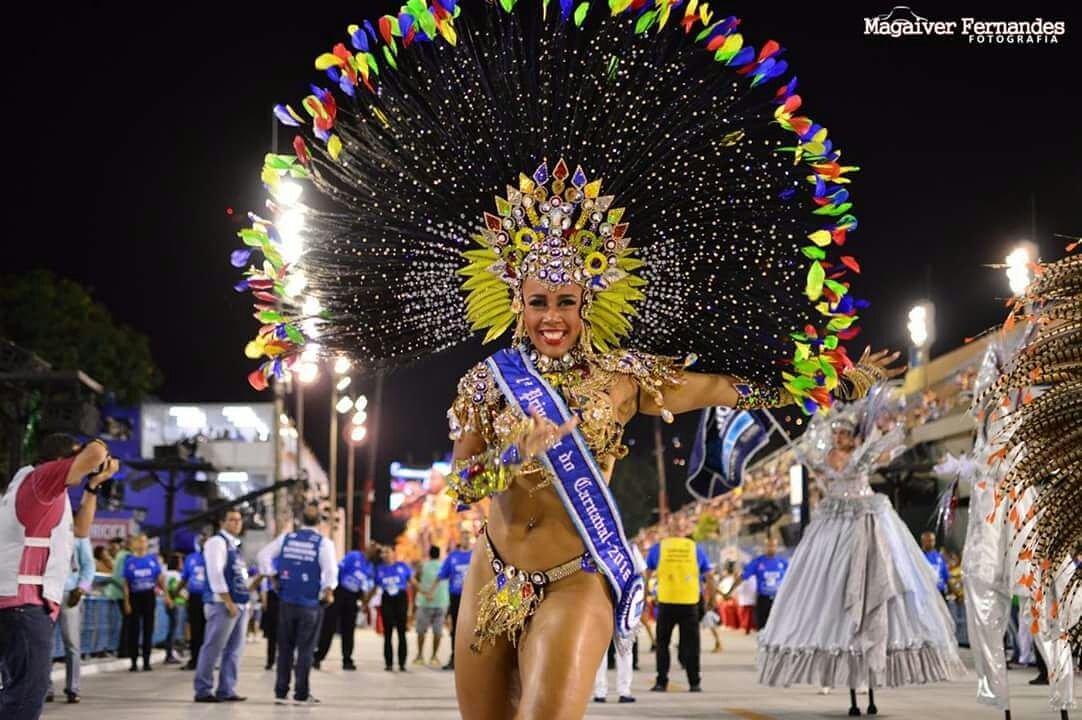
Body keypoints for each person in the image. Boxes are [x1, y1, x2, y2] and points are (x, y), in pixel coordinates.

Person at [234, 2, 905, 715]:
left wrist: (826, 382)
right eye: (538, 301)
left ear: (589, 301)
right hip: (491, 575)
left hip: (576, 576)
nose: (551, 317)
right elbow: (462, 484)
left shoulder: (625, 378)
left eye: (565, 300)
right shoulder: (487, 382)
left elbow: (722, 388)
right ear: (515, 301)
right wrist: (511, 457)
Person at [756, 388, 965, 716]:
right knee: (836, 597)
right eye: (836, 432)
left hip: (870, 524)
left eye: (843, 432)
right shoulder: (830, 457)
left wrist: (886, 432)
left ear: (853, 435)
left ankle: (870, 690)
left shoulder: (862, 453)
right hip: (835, 529)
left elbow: (889, 446)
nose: (838, 437)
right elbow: (822, 458)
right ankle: (855, 693)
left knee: (880, 589)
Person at [1, 434, 117, 719]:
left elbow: (80, 531)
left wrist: (93, 486)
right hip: (24, 606)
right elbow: (95, 452)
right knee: (27, 693)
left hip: (21, 605)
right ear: (60, 460)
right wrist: (98, 453)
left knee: (19, 689)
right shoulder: (43, 478)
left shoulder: (42, 489)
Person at [257, 503, 338, 705]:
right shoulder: (323, 543)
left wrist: (273, 577)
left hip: (286, 601)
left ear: (300, 520)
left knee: (284, 648)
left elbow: (262, 555)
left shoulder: (287, 538)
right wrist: (329, 591)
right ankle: (301, 693)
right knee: (305, 650)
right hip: (310, 602)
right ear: (319, 522)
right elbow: (330, 571)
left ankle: (281, 691)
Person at [193, 509, 251, 703]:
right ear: (222, 522)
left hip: (239, 603)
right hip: (222, 604)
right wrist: (228, 601)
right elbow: (215, 574)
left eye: (239, 520)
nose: (237, 523)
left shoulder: (234, 545)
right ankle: (203, 689)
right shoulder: (216, 542)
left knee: (234, 650)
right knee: (213, 647)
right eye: (232, 520)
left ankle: (227, 689)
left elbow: (240, 576)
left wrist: (245, 602)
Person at [646, 534, 714, 692]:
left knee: (662, 643)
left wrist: (643, 597)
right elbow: (709, 576)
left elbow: (646, 575)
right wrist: (711, 599)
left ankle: (661, 682)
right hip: (689, 603)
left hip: (666, 603)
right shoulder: (695, 548)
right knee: (692, 644)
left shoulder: (658, 548)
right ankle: (694, 682)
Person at [593, 543, 646, 704]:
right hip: (608, 603)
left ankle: (606, 692)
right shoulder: (629, 548)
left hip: (621, 604)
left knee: (622, 650)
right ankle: (612, 691)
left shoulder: (598, 545)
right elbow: (642, 575)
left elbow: (641, 575)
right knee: (613, 651)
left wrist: (638, 601)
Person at [49, 535, 95, 704]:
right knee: (45, 643)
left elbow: (88, 565)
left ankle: (73, 688)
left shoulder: (79, 537)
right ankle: (46, 687)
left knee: (72, 644)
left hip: (70, 594)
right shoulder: (49, 531)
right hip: (48, 593)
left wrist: (81, 588)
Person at [314, 545, 374, 671]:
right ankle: (318, 656)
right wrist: (330, 590)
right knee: (328, 626)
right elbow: (339, 570)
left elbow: (367, 585)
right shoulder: (354, 555)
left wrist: (364, 601)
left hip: (352, 597)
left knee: (348, 629)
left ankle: (347, 659)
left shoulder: (370, 567)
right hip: (339, 592)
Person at [122, 533, 168, 672]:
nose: (142, 544)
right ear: (134, 544)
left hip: (149, 596)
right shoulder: (130, 561)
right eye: (139, 541)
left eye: (144, 541)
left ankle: (147, 662)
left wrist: (167, 595)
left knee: (148, 629)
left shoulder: (152, 560)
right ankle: (134, 662)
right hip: (135, 597)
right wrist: (126, 602)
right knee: (134, 630)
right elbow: (125, 583)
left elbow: (160, 579)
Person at [733, 537, 789, 631]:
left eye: (774, 546)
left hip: (778, 599)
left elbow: (792, 578)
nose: (771, 548)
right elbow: (743, 577)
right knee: (762, 628)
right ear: (765, 547)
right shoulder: (757, 562)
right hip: (763, 599)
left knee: (778, 628)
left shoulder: (783, 563)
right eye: (769, 546)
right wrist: (730, 591)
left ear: (777, 547)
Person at [437, 535, 473, 671]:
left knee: (472, 629)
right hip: (456, 597)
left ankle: (471, 661)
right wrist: (430, 591)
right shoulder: (452, 556)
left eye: (468, 538)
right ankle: (454, 658)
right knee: (456, 629)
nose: (466, 540)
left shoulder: (476, 554)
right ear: (460, 540)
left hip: (472, 597)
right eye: (464, 538)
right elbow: (442, 575)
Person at [375, 546, 412, 672]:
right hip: (387, 600)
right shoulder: (379, 569)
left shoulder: (402, 566)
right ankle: (389, 663)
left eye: (387, 552)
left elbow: (412, 581)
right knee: (388, 633)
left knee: (402, 633)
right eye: (383, 552)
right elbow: (374, 587)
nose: (384, 554)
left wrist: (425, 593)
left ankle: (402, 663)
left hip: (401, 599)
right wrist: (365, 601)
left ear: (393, 553)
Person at [413, 545, 450, 667]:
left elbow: (414, 581)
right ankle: (434, 657)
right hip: (441, 602)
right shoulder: (444, 566)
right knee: (438, 631)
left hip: (424, 602)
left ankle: (419, 656)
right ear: (439, 554)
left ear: (429, 554)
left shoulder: (423, 566)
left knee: (421, 631)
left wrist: (421, 595)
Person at [178, 533, 208, 670]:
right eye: (202, 541)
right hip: (194, 598)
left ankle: (207, 662)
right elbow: (184, 578)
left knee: (208, 631)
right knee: (195, 630)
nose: (204, 544)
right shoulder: (191, 558)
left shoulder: (215, 557)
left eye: (206, 541)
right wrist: (176, 592)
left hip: (210, 598)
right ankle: (194, 660)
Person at [163, 553, 185, 664]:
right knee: (173, 630)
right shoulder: (175, 575)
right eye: (181, 562)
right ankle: (169, 654)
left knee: (172, 629)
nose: (182, 564)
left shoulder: (166, 574)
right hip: (175, 604)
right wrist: (186, 596)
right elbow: (174, 589)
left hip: (169, 604)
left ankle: (170, 653)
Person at [259, 557, 280, 670]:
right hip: (273, 598)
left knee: (286, 633)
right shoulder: (270, 561)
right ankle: (270, 660)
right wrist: (264, 600)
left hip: (285, 597)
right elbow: (264, 584)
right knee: (272, 634)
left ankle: (285, 659)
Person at [921, 531, 949, 596]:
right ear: (923, 542)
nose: (930, 543)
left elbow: (946, 575)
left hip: (940, 591)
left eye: (932, 540)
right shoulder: (919, 556)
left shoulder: (939, 556)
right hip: (927, 592)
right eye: (928, 541)